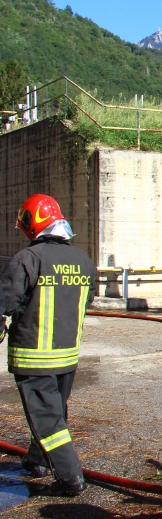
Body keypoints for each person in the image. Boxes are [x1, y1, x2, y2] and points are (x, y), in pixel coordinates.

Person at [1, 194, 97, 496]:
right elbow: (89, 298)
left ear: (33, 223)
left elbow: (5, 302)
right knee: (52, 411)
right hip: (67, 357)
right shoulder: (83, 260)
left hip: (33, 357)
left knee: (46, 418)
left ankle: (70, 478)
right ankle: (38, 459)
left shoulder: (27, 260)